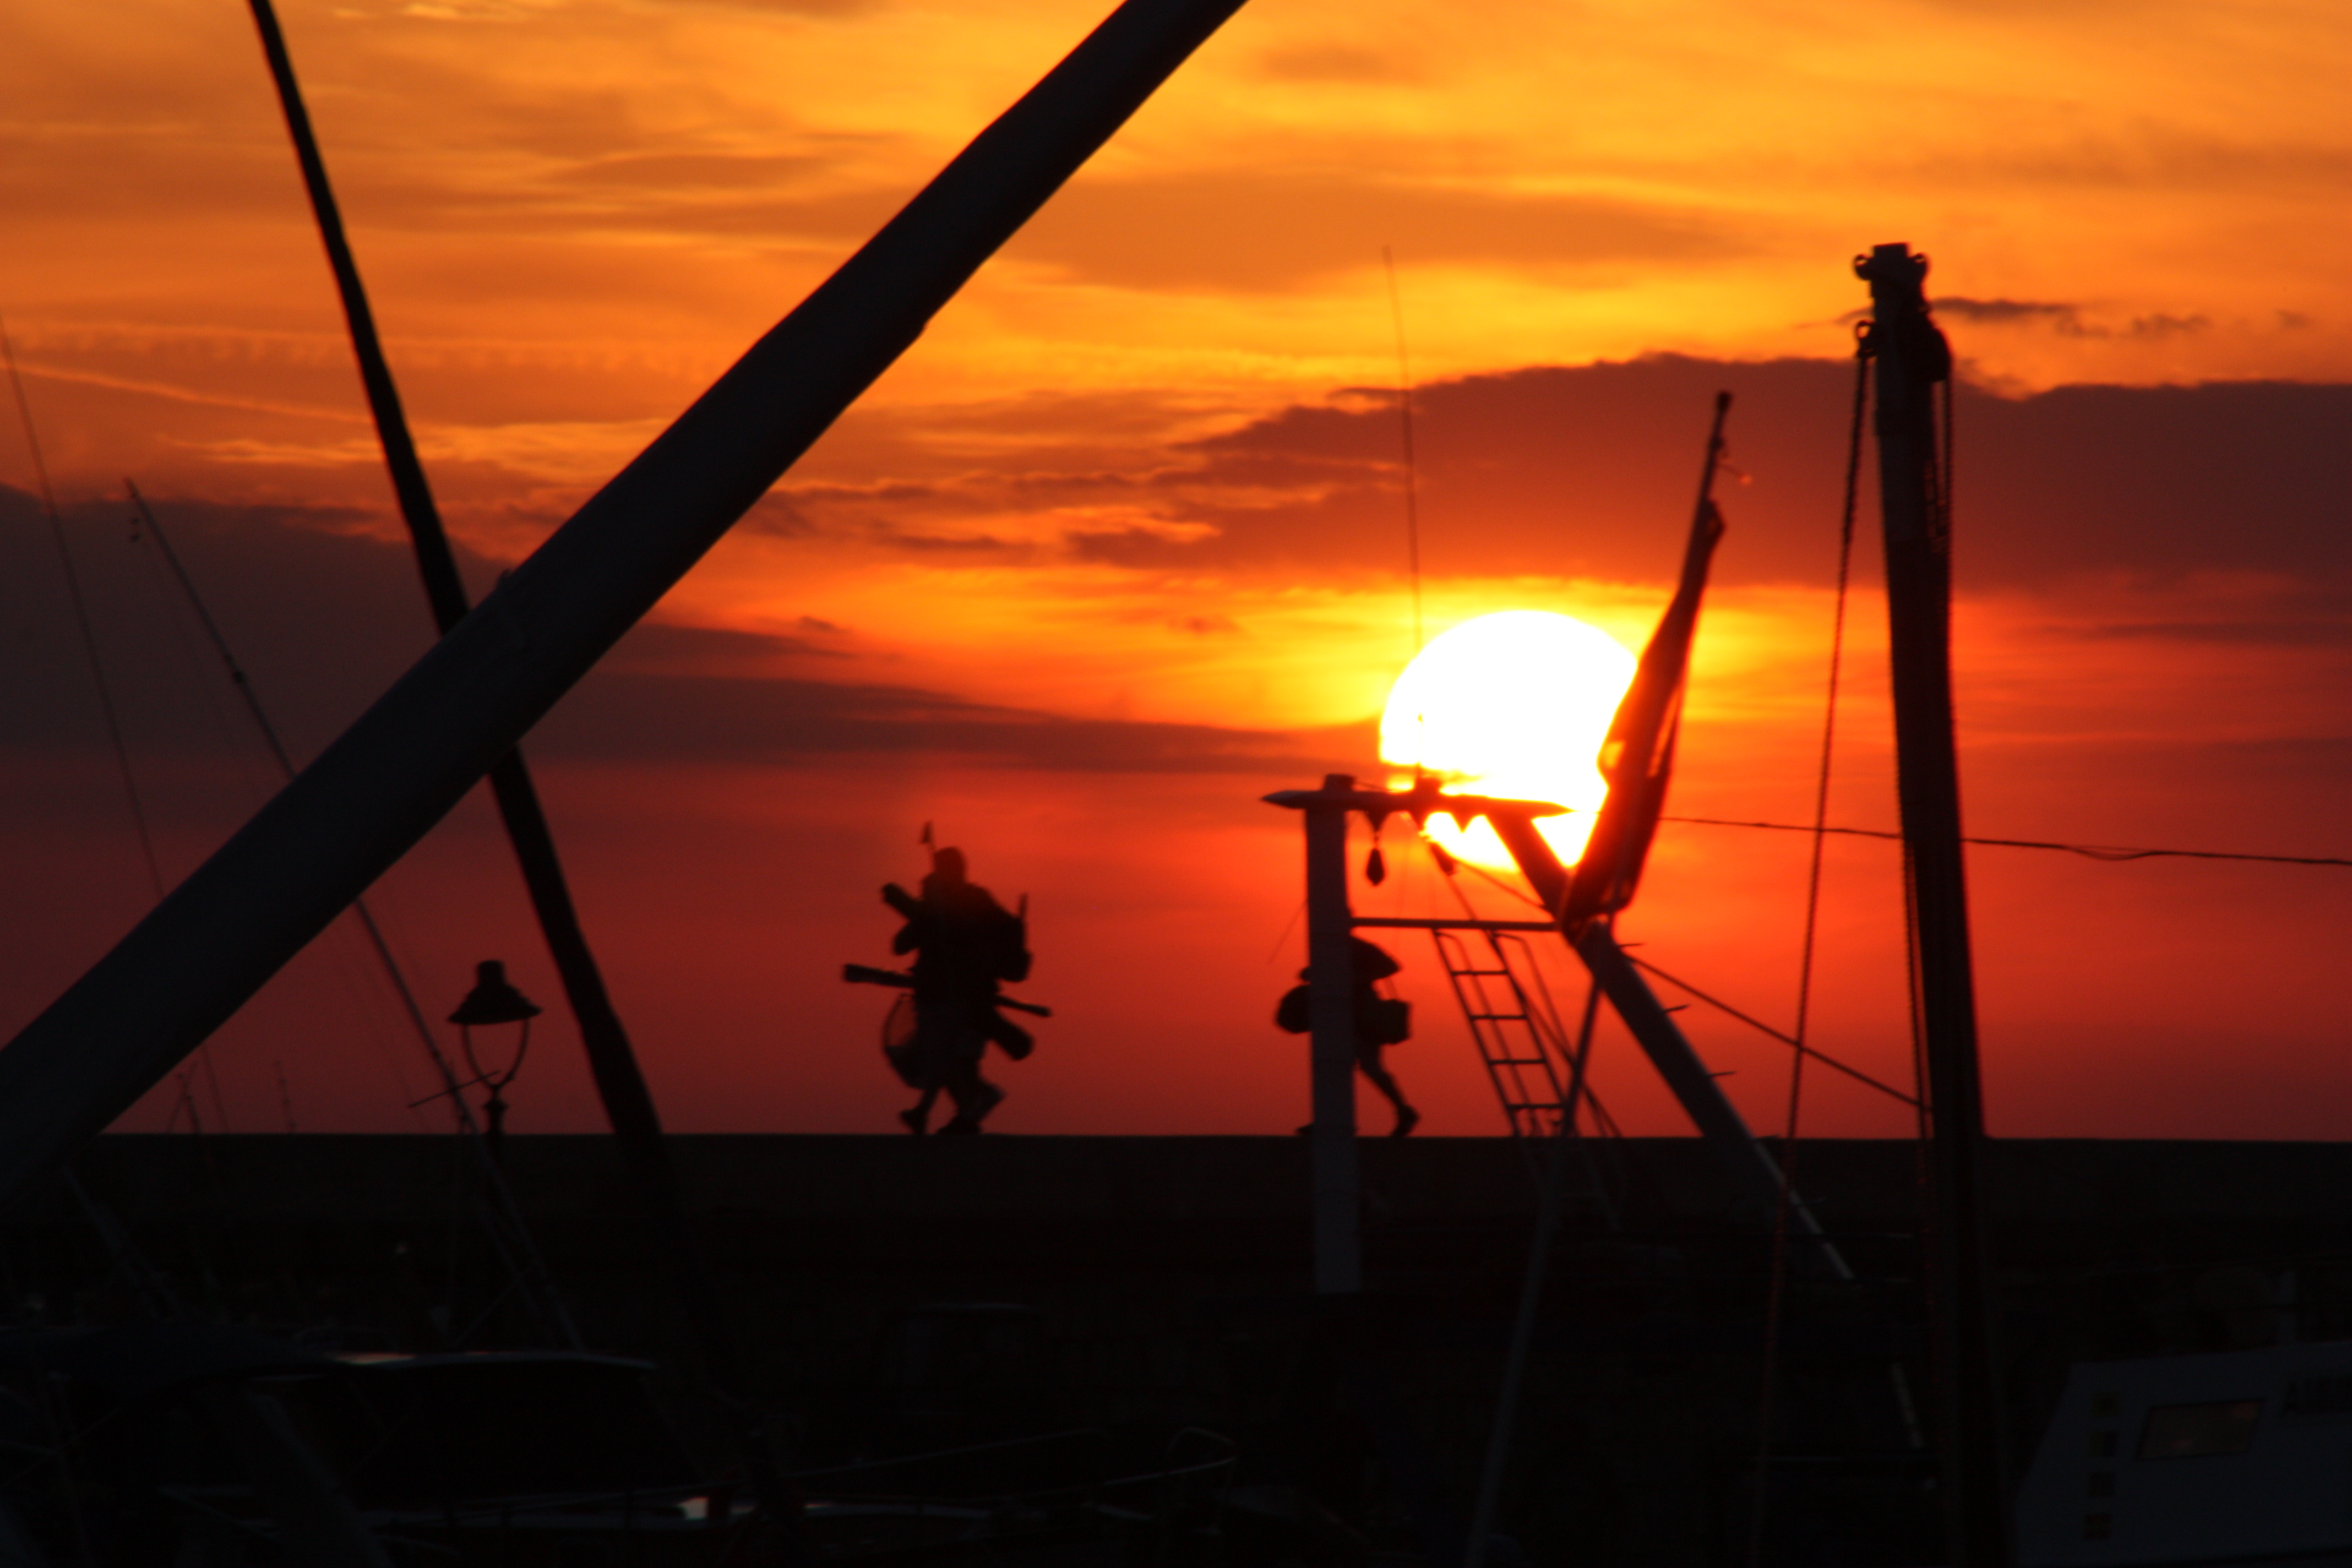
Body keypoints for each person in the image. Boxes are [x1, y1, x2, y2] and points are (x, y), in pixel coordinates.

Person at [882, 846, 1032, 1135]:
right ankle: (964, 1113)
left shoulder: (973, 903)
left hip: (965, 998)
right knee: (951, 1060)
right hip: (941, 995)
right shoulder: (939, 906)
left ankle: (958, 1112)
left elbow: (995, 939)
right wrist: (928, 913)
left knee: (950, 1057)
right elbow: (901, 944)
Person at [1275, 935, 1419, 1137]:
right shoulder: (1326, 945)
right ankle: (1331, 1119)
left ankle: (1404, 1111)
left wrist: (1355, 979)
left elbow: (1391, 966)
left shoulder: (1358, 946)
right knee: (1335, 1065)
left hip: (1361, 1010)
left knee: (1370, 1065)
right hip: (1334, 1010)